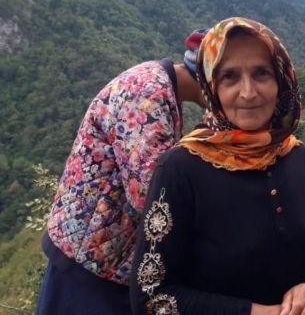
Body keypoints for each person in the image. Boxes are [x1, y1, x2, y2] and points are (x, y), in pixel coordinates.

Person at [130, 17, 305, 315]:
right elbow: (150, 297)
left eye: (261, 73)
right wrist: (258, 313)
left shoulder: (295, 155)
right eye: (230, 77)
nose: (248, 92)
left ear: (281, 80)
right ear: (212, 86)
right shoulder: (180, 169)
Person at [35, 29, 209, 315]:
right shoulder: (147, 94)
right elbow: (151, 193)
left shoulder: (161, 88)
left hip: (99, 253)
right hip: (89, 263)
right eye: (227, 79)